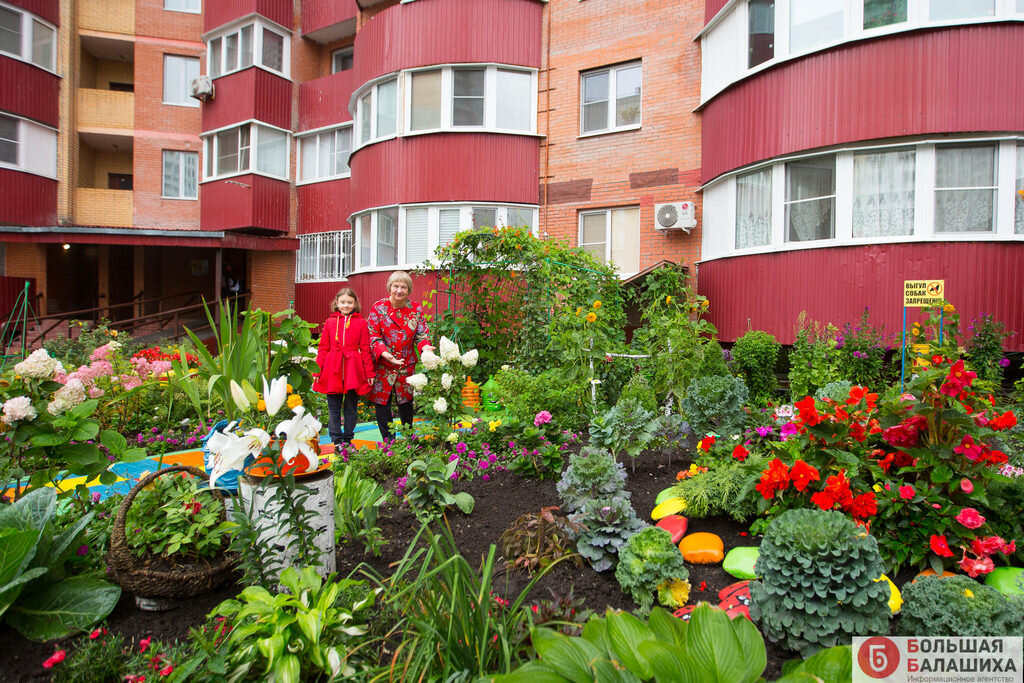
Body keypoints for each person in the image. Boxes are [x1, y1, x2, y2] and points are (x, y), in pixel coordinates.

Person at [366, 271, 434, 441]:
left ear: (408, 290)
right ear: (390, 287)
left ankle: (409, 437)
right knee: (382, 403)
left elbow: (422, 335)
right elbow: (373, 335)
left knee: (405, 402)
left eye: (403, 287)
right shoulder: (378, 307)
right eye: (396, 286)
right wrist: (385, 354)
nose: (399, 290)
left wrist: (425, 348)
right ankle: (388, 440)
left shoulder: (415, 309)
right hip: (384, 363)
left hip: (406, 364)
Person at [312, 288, 375, 448]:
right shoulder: (330, 322)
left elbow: (366, 349)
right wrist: (317, 370)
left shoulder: (361, 323)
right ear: (337, 303)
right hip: (333, 368)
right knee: (333, 407)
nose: (346, 305)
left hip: (353, 369)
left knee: (351, 408)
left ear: (355, 304)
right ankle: (336, 440)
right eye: (342, 302)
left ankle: (347, 439)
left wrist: (369, 372)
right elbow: (323, 348)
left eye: (349, 302)